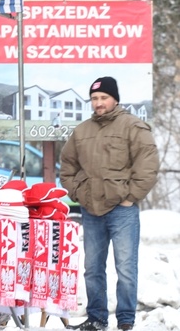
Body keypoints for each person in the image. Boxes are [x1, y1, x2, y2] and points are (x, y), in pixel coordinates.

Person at [60, 76, 159, 331]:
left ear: (115, 98)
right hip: (91, 211)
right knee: (92, 268)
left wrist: (130, 198)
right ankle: (96, 318)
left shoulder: (133, 127)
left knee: (125, 268)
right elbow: (67, 168)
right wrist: (79, 192)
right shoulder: (81, 131)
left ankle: (125, 320)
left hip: (122, 211)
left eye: (104, 97)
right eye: (94, 99)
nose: (99, 103)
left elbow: (147, 167)